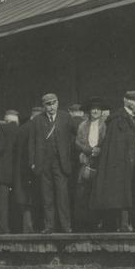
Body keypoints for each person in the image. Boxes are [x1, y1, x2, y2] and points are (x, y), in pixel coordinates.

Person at [90, 91, 135, 232]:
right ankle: (123, 225)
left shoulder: (130, 117)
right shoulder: (119, 119)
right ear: (128, 102)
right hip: (121, 165)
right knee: (122, 194)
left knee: (128, 193)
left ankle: (128, 223)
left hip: (130, 164)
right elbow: (121, 140)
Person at [31, 93, 75, 234]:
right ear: (43, 106)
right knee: (47, 196)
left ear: (58, 103)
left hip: (60, 163)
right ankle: (49, 226)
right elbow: (32, 143)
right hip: (43, 164)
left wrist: (70, 156)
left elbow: (75, 137)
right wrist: (32, 162)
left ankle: (66, 226)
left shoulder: (66, 118)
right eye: (48, 104)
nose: (51, 107)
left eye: (53, 103)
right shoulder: (37, 120)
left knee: (63, 196)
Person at [74, 98, 107, 231]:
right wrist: (87, 150)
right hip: (86, 160)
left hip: (100, 161)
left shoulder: (105, 125)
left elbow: (107, 140)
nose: (95, 111)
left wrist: (99, 149)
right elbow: (78, 142)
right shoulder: (83, 125)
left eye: (98, 109)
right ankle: (87, 223)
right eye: (93, 109)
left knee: (99, 191)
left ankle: (100, 222)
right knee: (84, 191)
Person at [14, 107, 43, 233]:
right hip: (32, 170)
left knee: (25, 201)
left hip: (20, 170)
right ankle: (32, 229)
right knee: (33, 199)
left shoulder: (22, 129)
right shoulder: (35, 128)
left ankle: (27, 228)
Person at [0, 110, 19, 234]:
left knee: (1, 199)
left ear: (6, 120)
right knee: (15, 199)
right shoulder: (20, 129)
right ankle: (15, 226)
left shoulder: (2, 128)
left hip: (2, 169)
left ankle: (4, 228)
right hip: (16, 169)